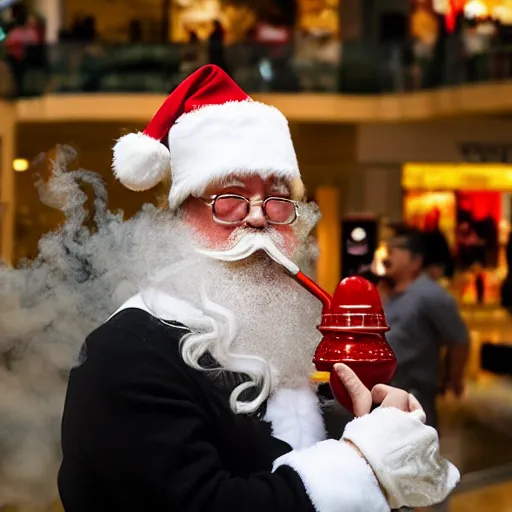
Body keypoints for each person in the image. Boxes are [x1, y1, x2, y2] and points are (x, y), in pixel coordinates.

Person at [58, 65, 459, 512]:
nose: (257, 217)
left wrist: (375, 432)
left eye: (277, 197)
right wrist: (361, 464)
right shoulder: (126, 354)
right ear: (178, 222)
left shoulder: (281, 341)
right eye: (229, 198)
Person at [383, 228, 469, 430]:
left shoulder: (430, 294)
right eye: (389, 249)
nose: (389, 255)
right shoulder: (390, 292)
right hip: (388, 396)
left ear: (415, 261)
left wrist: (453, 378)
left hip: (417, 398)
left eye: (396, 249)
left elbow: (459, 338)